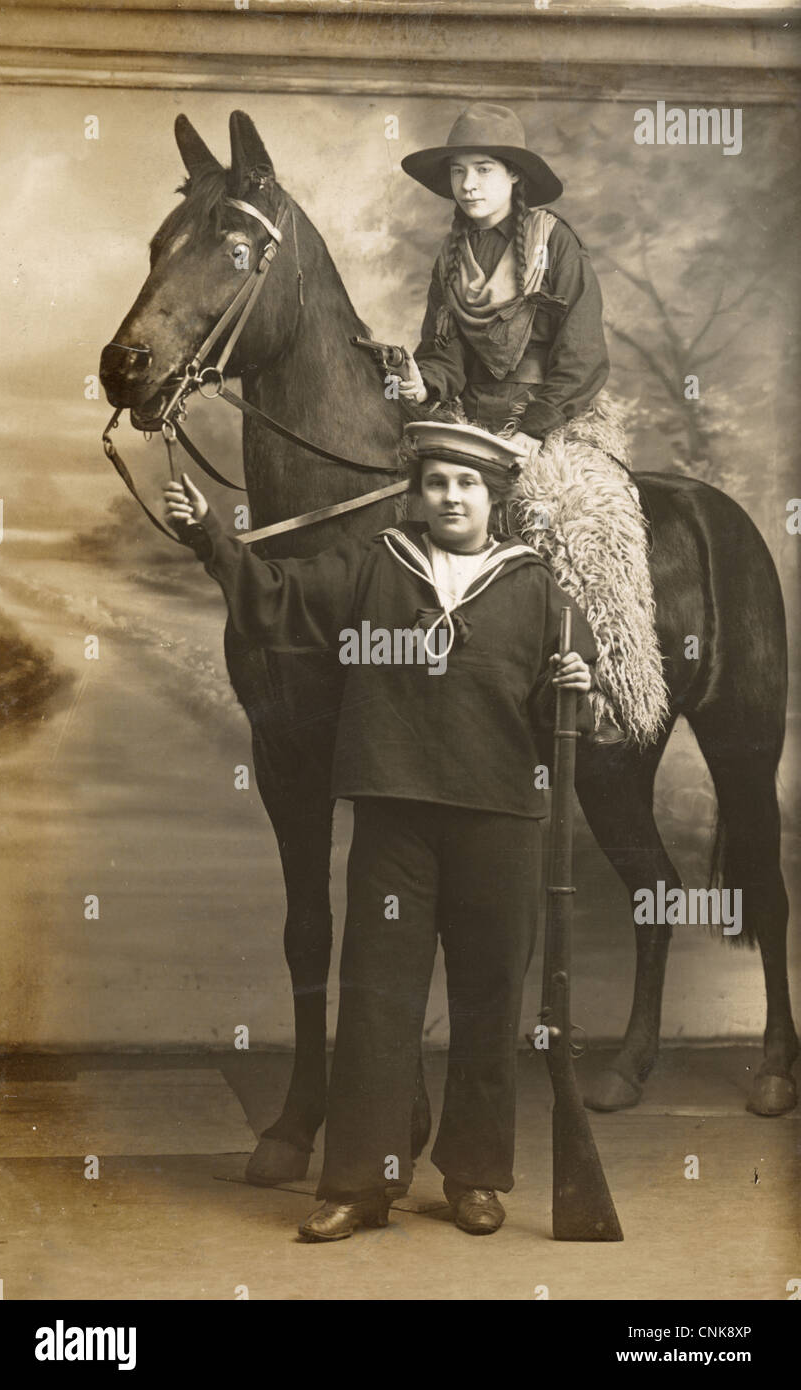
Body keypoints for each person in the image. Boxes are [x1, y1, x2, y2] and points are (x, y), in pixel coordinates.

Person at [164, 420, 597, 1240]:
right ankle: (360, 1184)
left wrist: (572, 685)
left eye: (467, 485)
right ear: (416, 491)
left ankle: (473, 1178)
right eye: (436, 482)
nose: (450, 497)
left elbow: (554, 727)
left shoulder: (538, 588)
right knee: (375, 998)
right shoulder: (374, 564)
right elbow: (274, 601)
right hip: (394, 815)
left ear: (494, 498)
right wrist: (211, 536)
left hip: (501, 820)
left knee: (488, 999)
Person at [392, 103, 669, 749]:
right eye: (459, 171)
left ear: (514, 176)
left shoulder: (555, 242)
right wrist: (421, 381)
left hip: (559, 413)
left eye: (484, 169)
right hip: (472, 416)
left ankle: (606, 690)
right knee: (407, 500)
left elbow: (582, 353)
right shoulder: (451, 255)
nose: (468, 184)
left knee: (577, 516)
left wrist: (536, 429)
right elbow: (443, 355)